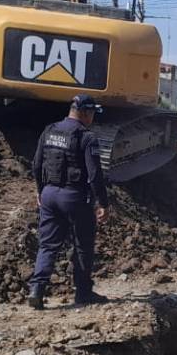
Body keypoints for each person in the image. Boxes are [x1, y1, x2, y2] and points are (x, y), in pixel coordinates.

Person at [27, 94, 111, 308]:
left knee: (47, 244)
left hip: (48, 194)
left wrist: (40, 191)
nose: (93, 117)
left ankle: (37, 289)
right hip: (74, 197)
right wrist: (103, 203)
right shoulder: (86, 137)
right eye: (92, 113)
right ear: (84, 112)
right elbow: (94, 175)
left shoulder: (50, 130)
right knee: (83, 245)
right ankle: (83, 293)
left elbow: (36, 165)